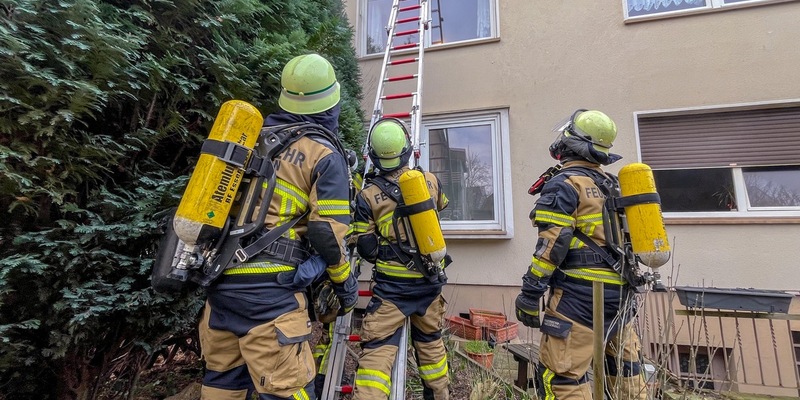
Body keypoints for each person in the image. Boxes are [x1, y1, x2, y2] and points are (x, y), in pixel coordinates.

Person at [198, 53, 358, 400]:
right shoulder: (322, 152)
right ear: (332, 102)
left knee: (221, 386)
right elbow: (326, 233)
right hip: (271, 298)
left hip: (221, 289)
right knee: (291, 391)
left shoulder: (248, 140)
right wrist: (344, 283)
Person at [515, 109, 647, 400]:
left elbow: (551, 246)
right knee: (625, 373)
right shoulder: (612, 184)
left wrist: (530, 292)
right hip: (621, 297)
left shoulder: (566, 184)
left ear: (571, 142)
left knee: (562, 377)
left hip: (579, 298)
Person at [350, 118, 451, 400]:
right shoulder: (429, 180)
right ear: (407, 149)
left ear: (374, 156)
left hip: (392, 290)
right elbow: (440, 207)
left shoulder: (367, 196)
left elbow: (366, 247)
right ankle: (440, 395)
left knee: (377, 353)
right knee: (431, 346)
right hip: (430, 285)